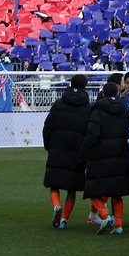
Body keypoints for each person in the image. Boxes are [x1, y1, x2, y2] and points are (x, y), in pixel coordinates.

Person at [80, 78, 129, 234]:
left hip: (99, 156)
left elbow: (91, 135)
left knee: (94, 190)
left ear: (103, 93)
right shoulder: (124, 110)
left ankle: (105, 216)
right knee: (117, 192)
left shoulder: (97, 110)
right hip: (119, 155)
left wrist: (82, 154)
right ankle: (119, 226)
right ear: (117, 93)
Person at [42, 74, 90, 229]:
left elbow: (47, 126)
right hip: (77, 151)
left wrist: (48, 145)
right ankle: (64, 220)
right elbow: (90, 131)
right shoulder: (87, 107)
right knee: (72, 188)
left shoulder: (59, 103)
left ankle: (56, 205)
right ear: (85, 86)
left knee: (54, 183)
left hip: (57, 147)